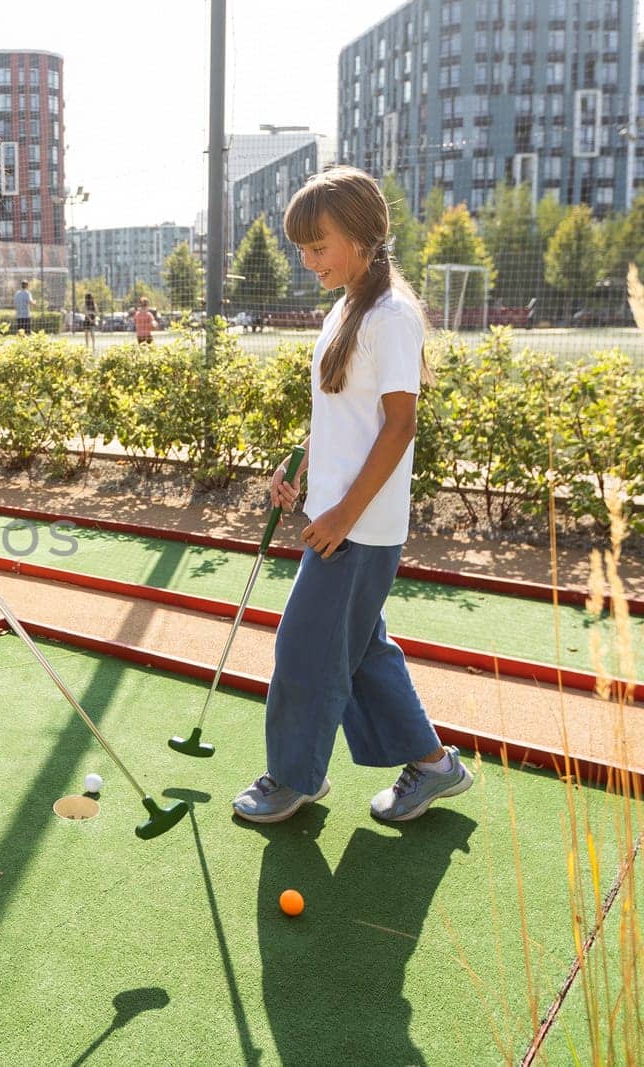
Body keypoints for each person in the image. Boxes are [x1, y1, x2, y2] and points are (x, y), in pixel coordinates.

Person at [232, 165, 473, 827]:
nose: (309, 261)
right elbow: (346, 414)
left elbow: (400, 424)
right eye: (303, 249)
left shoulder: (391, 316)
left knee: (305, 650)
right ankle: (433, 765)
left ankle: (292, 777)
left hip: (359, 527)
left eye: (319, 246)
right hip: (341, 515)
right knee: (362, 651)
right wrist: (302, 468)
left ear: (364, 237)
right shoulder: (346, 307)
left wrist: (342, 511)